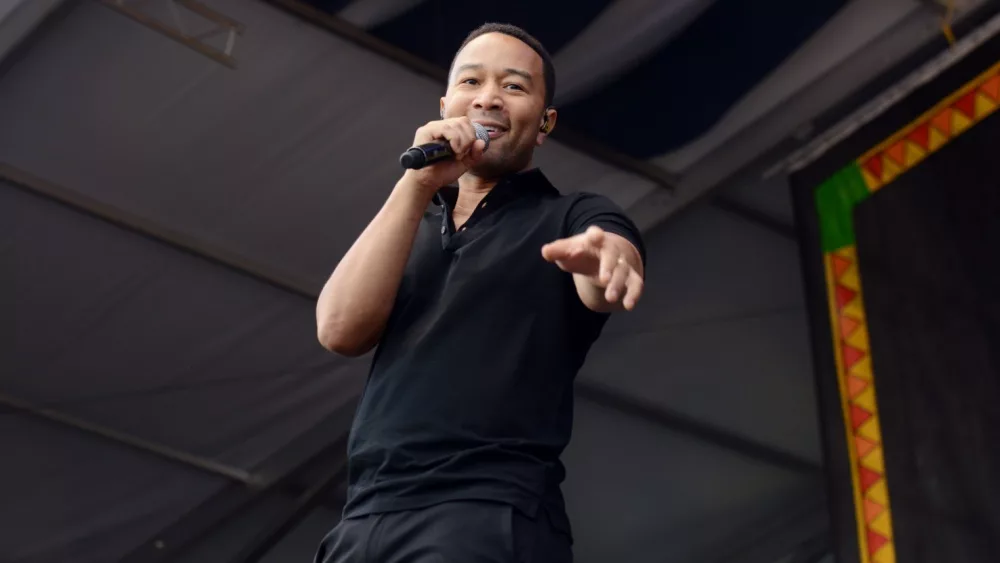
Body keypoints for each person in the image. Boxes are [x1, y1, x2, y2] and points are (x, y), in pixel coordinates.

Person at [313, 22, 646, 563]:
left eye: (514, 87)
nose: (488, 97)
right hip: (363, 515)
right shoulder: (408, 224)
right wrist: (418, 183)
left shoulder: (571, 215)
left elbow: (608, 263)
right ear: (446, 104)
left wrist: (605, 257)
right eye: (471, 82)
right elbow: (339, 330)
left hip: (484, 510)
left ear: (545, 123)